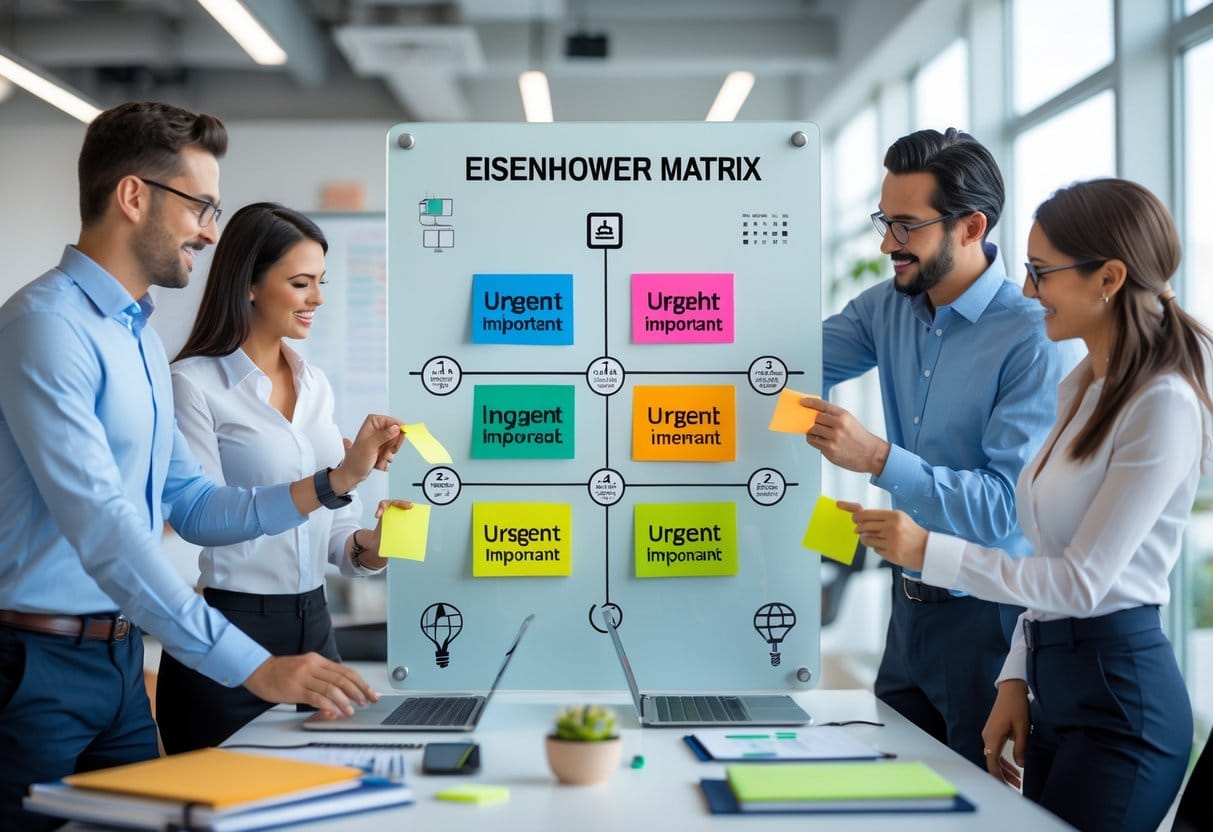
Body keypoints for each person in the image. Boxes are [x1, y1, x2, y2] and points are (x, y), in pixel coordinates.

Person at [0, 102, 404, 830]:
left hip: (121, 663)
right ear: (132, 195)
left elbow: (193, 506)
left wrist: (331, 485)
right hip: (35, 663)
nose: (211, 230)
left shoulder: (140, 341)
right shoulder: (45, 328)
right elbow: (105, 529)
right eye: (200, 206)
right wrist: (248, 663)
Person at [846, 178, 1210, 831]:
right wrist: (1017, 672)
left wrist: (924, 550)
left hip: (1120, 704)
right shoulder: (1081, 388)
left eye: (1040, 272)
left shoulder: (1162, 406)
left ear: (1109, 278)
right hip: (1054, 686)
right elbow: (1043, 551)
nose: (1026, 290)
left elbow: (1081, 581)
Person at [801, 128, 1074, 767]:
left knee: (983, 805)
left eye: (905, 226)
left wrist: (876, 458)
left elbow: (1008, 508)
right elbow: (781, 368)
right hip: (909, 611)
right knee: (892, 792)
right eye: (883, 221)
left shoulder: (1034, 338)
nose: (886, 244)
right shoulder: (886, 308)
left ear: (971, 226)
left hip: (991, 621)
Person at [156, 202, 412, 752]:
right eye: (301, 283)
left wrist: (372, 545)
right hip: (233, 629)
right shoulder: (192, 384)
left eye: (320, 282)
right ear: (249, 284)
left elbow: (334, 534)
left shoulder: (315, 383)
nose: (317, 299)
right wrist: (338, 477)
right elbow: (203, 518)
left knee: (331, 792)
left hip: (316, 624)